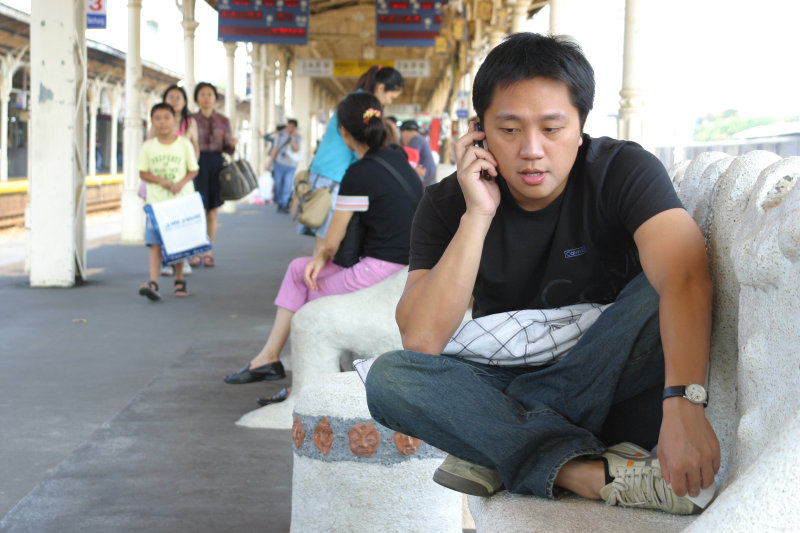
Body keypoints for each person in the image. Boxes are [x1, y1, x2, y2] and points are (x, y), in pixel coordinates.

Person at [364, 33, 720, 516]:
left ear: (581, 125)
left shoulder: (623, 170)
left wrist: (684, 404)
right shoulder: (448, 204)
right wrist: (477, 216)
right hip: (507, 378)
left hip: (611, 385)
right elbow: (422, 339)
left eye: (552, 129)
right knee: (391, 379)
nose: (532, 150)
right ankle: (586, 472)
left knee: (660, 289)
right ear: (479, 132)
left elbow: (685, 278)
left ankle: (501, 444)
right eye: (509, 130)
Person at [223, 92, 423, 406]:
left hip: (381, 270)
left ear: (343, 133)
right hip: (408, 267)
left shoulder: (358, 173)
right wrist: (316, 260)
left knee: (309, 298)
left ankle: (300, 385)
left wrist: (319, 258)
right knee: (296, 270)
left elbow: (332, 239)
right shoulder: (398, 160)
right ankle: (268, 358)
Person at [301, 66, 405, 243]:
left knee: (333, 240)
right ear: (380, 87)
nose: (389, 102)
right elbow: (364, 145)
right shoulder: (359, 105)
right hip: (332, 177)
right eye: (390, 96)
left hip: (337, 175)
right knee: (327, 242)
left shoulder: (358, 102)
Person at [137, 103, 199, 301]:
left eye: (166, 117)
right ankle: (153, 281)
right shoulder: (148, 147)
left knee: (178, 243)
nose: (162, 122)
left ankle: (179, 279)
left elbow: (193, 169)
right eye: (157, 118)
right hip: (156, 203)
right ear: (152, 122)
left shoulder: (184, 144)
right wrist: (161, 181)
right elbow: (143, 172)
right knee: (154, 244)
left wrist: (180, 183)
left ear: (174, 120)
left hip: (179, 202)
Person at [147, 84, 201, 277]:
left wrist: (188, 171)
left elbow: (195, 147)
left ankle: (182, 262)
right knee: (162, 225)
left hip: (182, 181)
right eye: (171, 97)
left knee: (181, 225)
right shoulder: (158, 120)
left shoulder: (190, 122)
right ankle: (166, 263)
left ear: (185, 101)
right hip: (161, 184)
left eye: (178, 97)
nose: (175, 101)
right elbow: (149, 146)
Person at [191, 82, 236, 268]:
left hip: (216, 165)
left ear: (215, 98)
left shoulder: (224, 121)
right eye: (202, 94)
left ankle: (208, 251)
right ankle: (194, 251)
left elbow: (228, 149)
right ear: (196, 98)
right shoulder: (190, 119)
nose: (206, 98)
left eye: (210, 94)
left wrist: (232, 144)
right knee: (196, 211)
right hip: (195, 164)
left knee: (212, 211)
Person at [267, 118, 302, 213]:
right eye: (289, 126)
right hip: (279, 163)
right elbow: (275, 148)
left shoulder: (297, 137)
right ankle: (279, 201)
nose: (290, 128)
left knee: (287, 185)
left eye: (293, 127)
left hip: (291, 165)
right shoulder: (280, 134)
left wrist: (292, 138)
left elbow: (296, 149)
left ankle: (284, 203)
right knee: (278, 184)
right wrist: (269, 163)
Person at [399, 120, 437, 187]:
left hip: (426, 187)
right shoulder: (420, 139)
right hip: (429, 184)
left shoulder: (416, 139)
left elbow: (410, 162)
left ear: (404, 133)